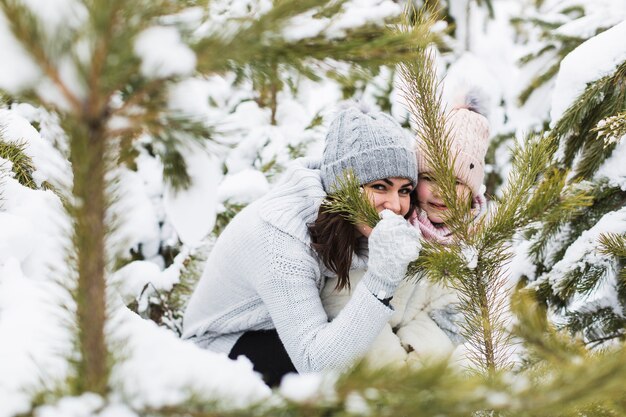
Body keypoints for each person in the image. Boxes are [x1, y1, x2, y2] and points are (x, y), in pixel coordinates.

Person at [182, 105, 422, 386]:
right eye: (380, 186)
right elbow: (315, 364)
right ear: (342, 185)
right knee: (346, 383)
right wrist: (383, 277)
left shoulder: (348, 217)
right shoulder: (282, 238)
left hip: (281, 333)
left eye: (404, 190)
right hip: (219, 352)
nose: (395, 205)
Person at [322, 90, 491, 368]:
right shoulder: (385, 221)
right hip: (367, 355)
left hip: (414, 363)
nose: (442, 191)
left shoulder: (473, 243)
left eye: (457, 181)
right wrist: (394, 366)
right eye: (430, 177)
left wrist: (414, 358)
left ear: (472, 190)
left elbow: (452, 315)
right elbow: (342, 297)